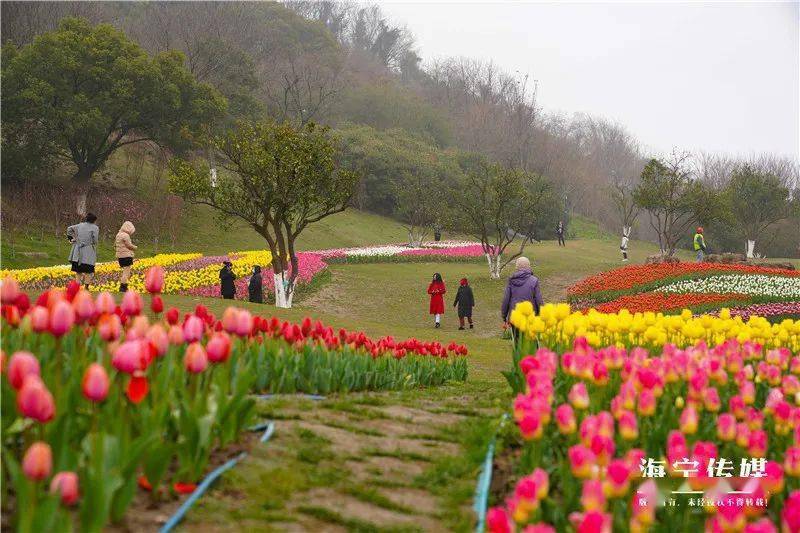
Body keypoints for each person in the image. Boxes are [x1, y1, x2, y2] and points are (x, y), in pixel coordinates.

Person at [501, 256, 543, 341]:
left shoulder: (511, 280)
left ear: (517, 267)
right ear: (529, 266)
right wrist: (541, 315)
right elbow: (539, 300)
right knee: (530, 343)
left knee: (517, 344)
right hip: (530, 317)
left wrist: (504, 316)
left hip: (515, 318)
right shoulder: (534, 280)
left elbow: (506, 299)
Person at [67, 213, 99, 290]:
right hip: (88, 251)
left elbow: (69, 229)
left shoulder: (79, 225)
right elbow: (95, 240)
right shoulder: (95, 228)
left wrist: (72, 239)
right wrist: (92, 242)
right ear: (94, 220)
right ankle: (86, 287)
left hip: (78, 251)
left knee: (78, 271)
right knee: (88, 271)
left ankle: (76, 288)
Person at [114, 221, 137, 292]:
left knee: (126, 272)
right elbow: (129, 245)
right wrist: (135, 247)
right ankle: (122, 287)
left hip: (120, 256)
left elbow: (115, 245)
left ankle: (124, 286)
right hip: (126, 256)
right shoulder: (126, 235)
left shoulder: (118, 235)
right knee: (126, 272)